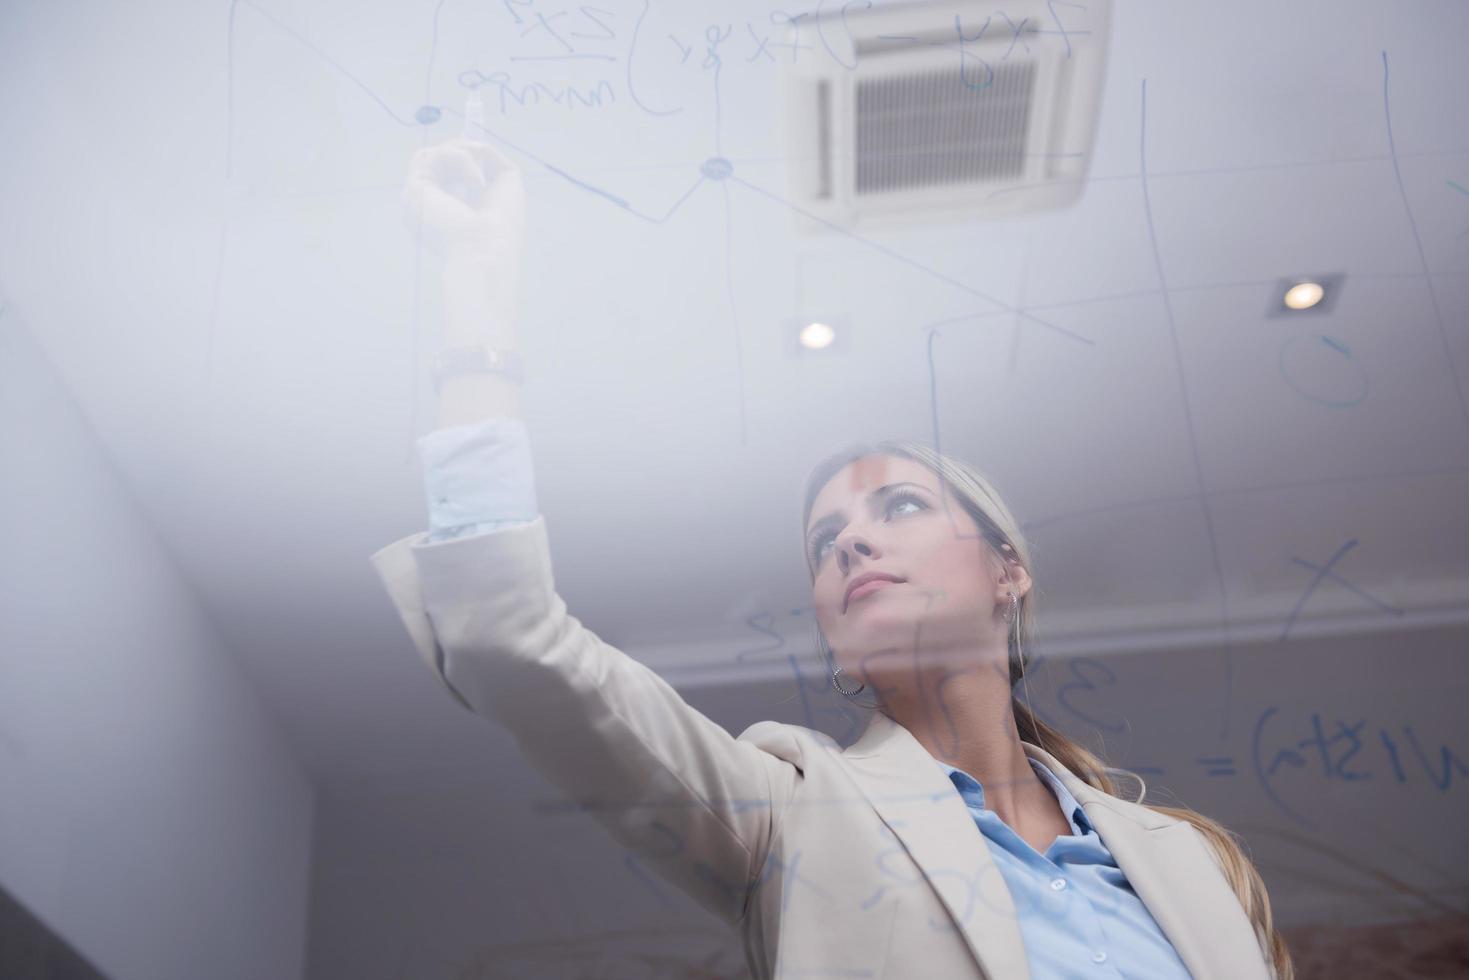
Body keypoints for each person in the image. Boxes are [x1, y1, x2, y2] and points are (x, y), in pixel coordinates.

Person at [371, 137, 1293, 980]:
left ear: (1007, 572)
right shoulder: (789, 814)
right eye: (825, 542)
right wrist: (476, 279)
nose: (852, 540)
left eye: (900, 506)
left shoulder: (1190, 860)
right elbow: (507, 634)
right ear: (832, 631)